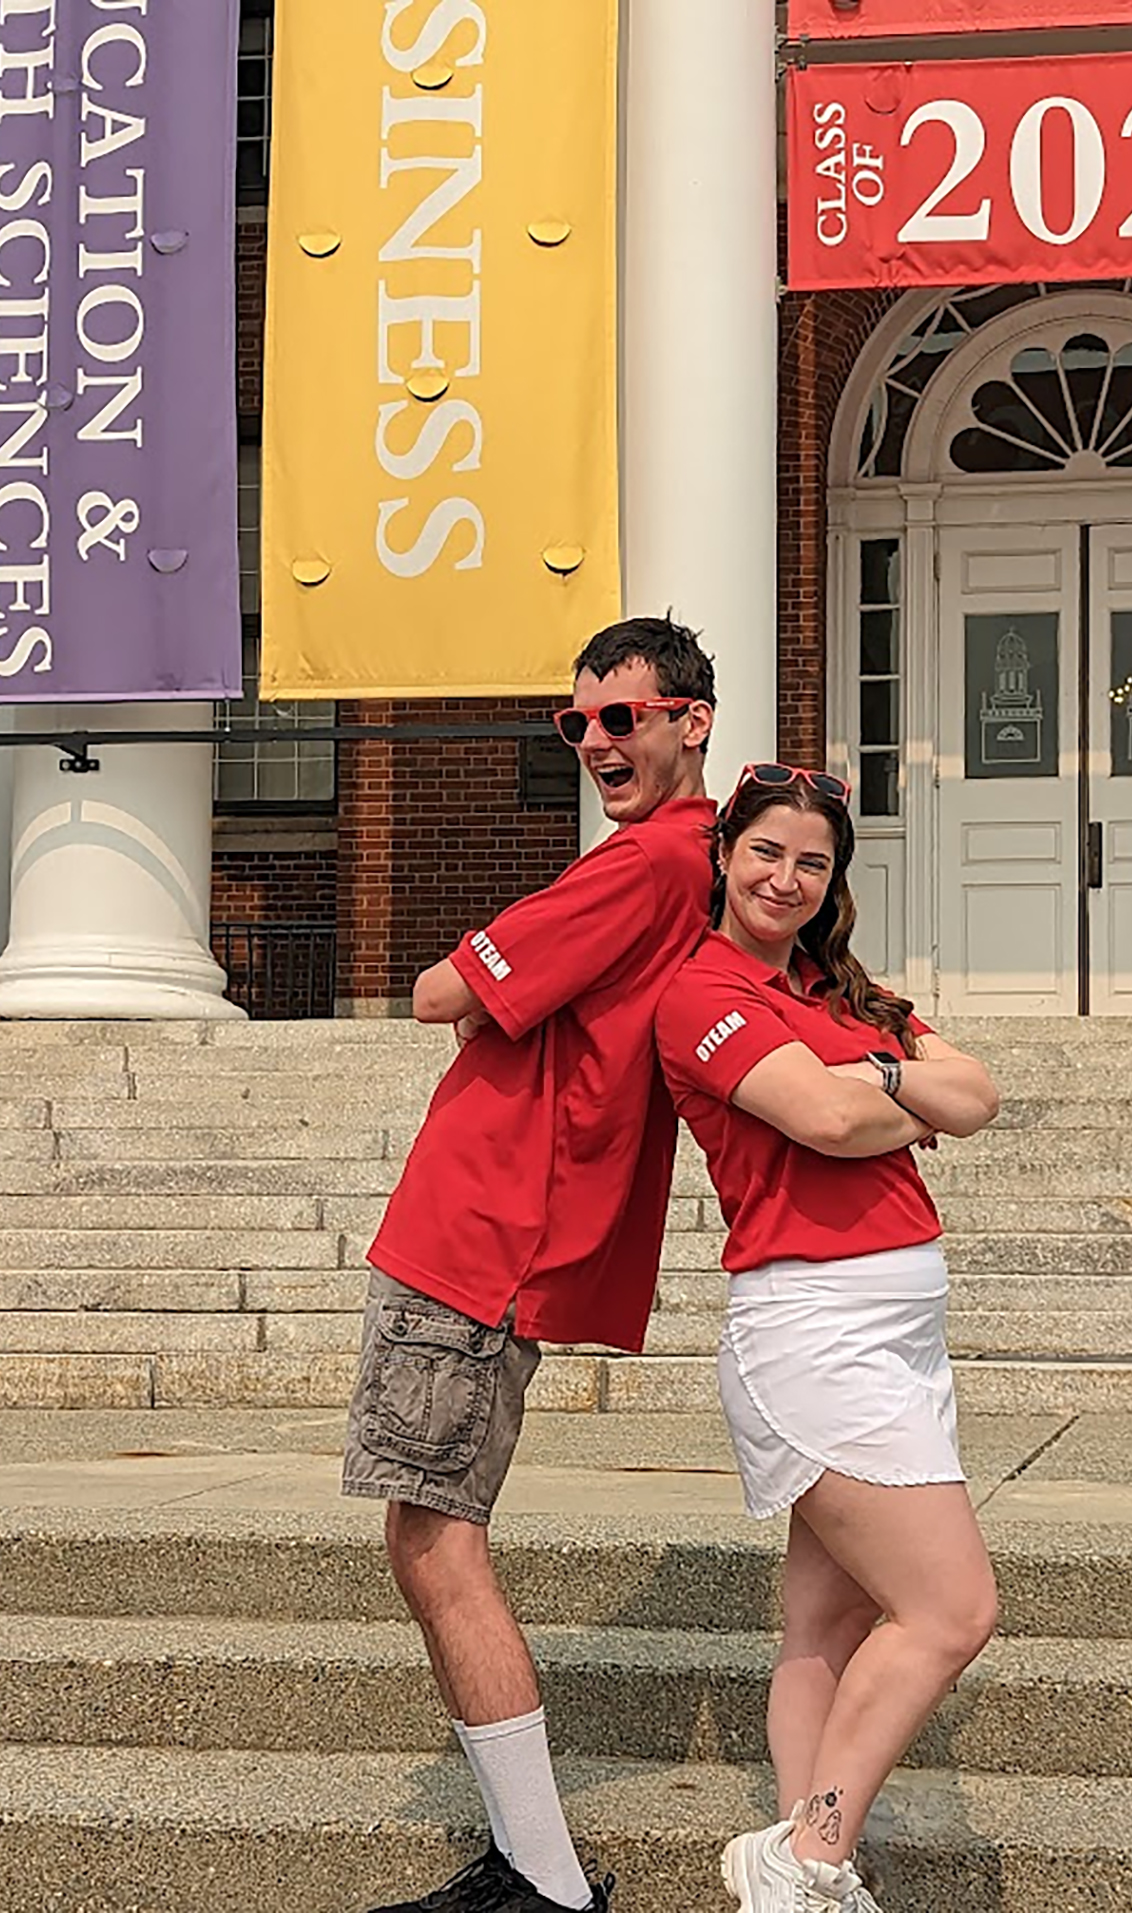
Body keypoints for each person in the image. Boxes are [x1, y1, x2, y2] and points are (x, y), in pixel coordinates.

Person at [342, 616, 718, 1913]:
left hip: (486, 1232)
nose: (598, 743)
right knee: (426, 1532)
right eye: (580, 724)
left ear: (691, 720)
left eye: (623, 717)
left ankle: (548, 1883)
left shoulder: (648, 864)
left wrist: (474, 958)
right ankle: (529, 1867)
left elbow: (442, 991)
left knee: (437, 1542)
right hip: (496, 1232)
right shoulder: (673, 864)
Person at [654, 764, 1001, 1913]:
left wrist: (876, 1068)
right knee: (952, 1609)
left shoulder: (838, 992)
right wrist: (895, 1094)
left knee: (833, 1615)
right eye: (766, 851)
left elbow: (980, 1091)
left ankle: (804, 1883)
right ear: (723, 852)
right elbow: (825, 1117)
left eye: (813, 860)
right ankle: (808, 1849)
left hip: (898, 1331)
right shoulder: (699, 990)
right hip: (817, 1323)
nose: (787, 877)